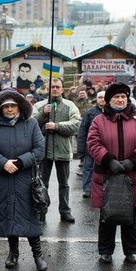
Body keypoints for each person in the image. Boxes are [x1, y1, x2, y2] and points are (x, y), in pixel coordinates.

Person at [0, 89, 47, 271]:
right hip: (2, 179)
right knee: (9, 217)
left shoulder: (31, 123)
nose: (9, 110)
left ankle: (38, 255)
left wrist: (20, 162)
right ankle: (13, 252)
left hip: (25, 180)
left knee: (29, 218)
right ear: (0, 109)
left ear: (19, 107)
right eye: (6, 107)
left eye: (13, 106)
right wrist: (3, 163)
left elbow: (39, 149)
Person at [87, 82, 136, 264]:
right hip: (107, 173)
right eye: (116, 97)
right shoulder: (99, 120)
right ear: (109, 100)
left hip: (133, 174)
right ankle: (105, 251)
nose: (120, 100)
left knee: (130, 215)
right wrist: (108, 160)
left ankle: (131, 250)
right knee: (107, 215)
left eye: (123, 96)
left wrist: (133, 161)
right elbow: (93, 142)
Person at [32, 78, 81, 223]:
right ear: (47, 89)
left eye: (57, 87)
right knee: (42, 183)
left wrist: (57, 126)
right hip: (44, 150)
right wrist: (43, 115)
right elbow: (31, 124)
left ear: (62, 89)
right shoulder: (39, 105)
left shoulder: (70, 105)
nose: (54, 89)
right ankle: (41, 210)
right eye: (52, 87)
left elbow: (76, 124)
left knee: (64, 184)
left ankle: (65, 211)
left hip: (63, 150)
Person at [76, 90, 106, 198]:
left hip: (106, 148)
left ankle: (103, 188)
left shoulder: (111, 112)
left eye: (104, 97)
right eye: (100, 97)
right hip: (91, 147)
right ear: (97, 99)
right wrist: (80, 149)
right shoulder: (90, 113)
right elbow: (83, 131)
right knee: (88, 168)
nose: (102, 99)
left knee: (104, 169)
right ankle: (87, 189)